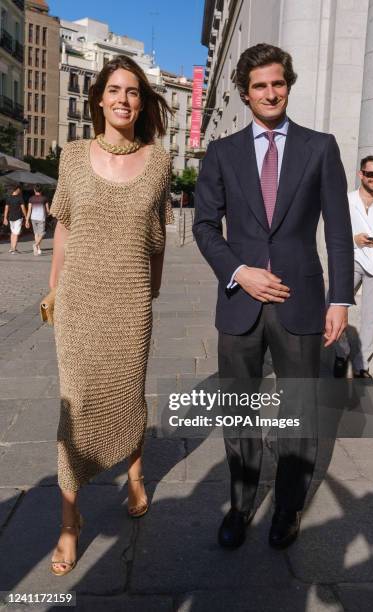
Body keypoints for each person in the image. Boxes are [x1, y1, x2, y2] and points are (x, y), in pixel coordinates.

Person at [193, 44, 354, 549]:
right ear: (245, 93)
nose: (270, 92)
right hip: (240, 303)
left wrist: (341, 298)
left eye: (278, 83)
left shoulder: (320, 147)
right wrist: (240, 271)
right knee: (238, 412)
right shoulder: (221, 153)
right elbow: (204, 226)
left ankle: (286, 509)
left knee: (300, 413)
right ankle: (240, 508)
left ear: (289, 84)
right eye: (260, 85)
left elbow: (339, 230)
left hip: (302, 300)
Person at [48, 54, 172, 576]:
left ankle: (136, 474)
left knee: (127, 393)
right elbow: (65, 226)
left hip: (130, 301)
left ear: (142, 103)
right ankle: (70, 523)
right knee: (75, 406)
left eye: (135, 92)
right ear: (98, 98)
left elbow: (158, 235)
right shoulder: (73, 156)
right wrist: (52, 289)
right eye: (116, 90)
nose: (124, 99)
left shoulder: (160, 160)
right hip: (77, 302)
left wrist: (153, 289)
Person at [333, 156, 373, 381]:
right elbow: (335, 231)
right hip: (352, 259)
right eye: (371, 174)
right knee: (334, 304)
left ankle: (362, 365)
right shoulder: (347, 200)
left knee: (371, 317)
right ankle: (341, 352)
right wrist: (354, 239)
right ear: (361, 174)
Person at [26, 184, 50, 255]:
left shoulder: (31, 199)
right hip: (41, 218)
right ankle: (36, 245)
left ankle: (37, 249)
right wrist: (49, 213)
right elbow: (48, 210)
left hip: (33, 218)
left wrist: (27, 220)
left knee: (36, 233)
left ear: (34, 190)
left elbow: (29, 210)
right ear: (41, 190)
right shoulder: (44, 198)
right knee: (42, 233)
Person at [2, 184, 27, 253]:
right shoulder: (20, 198)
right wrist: (26, 217)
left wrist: (5, 218)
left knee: (13, 233)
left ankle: (12, 248)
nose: (20, 191)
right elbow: (23, 208)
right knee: (16, 234)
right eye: (20, 190)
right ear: (18, 189)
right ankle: (13, 249)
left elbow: (6, 209)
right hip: (18, 218)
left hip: (10, 218)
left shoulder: (9, 198)